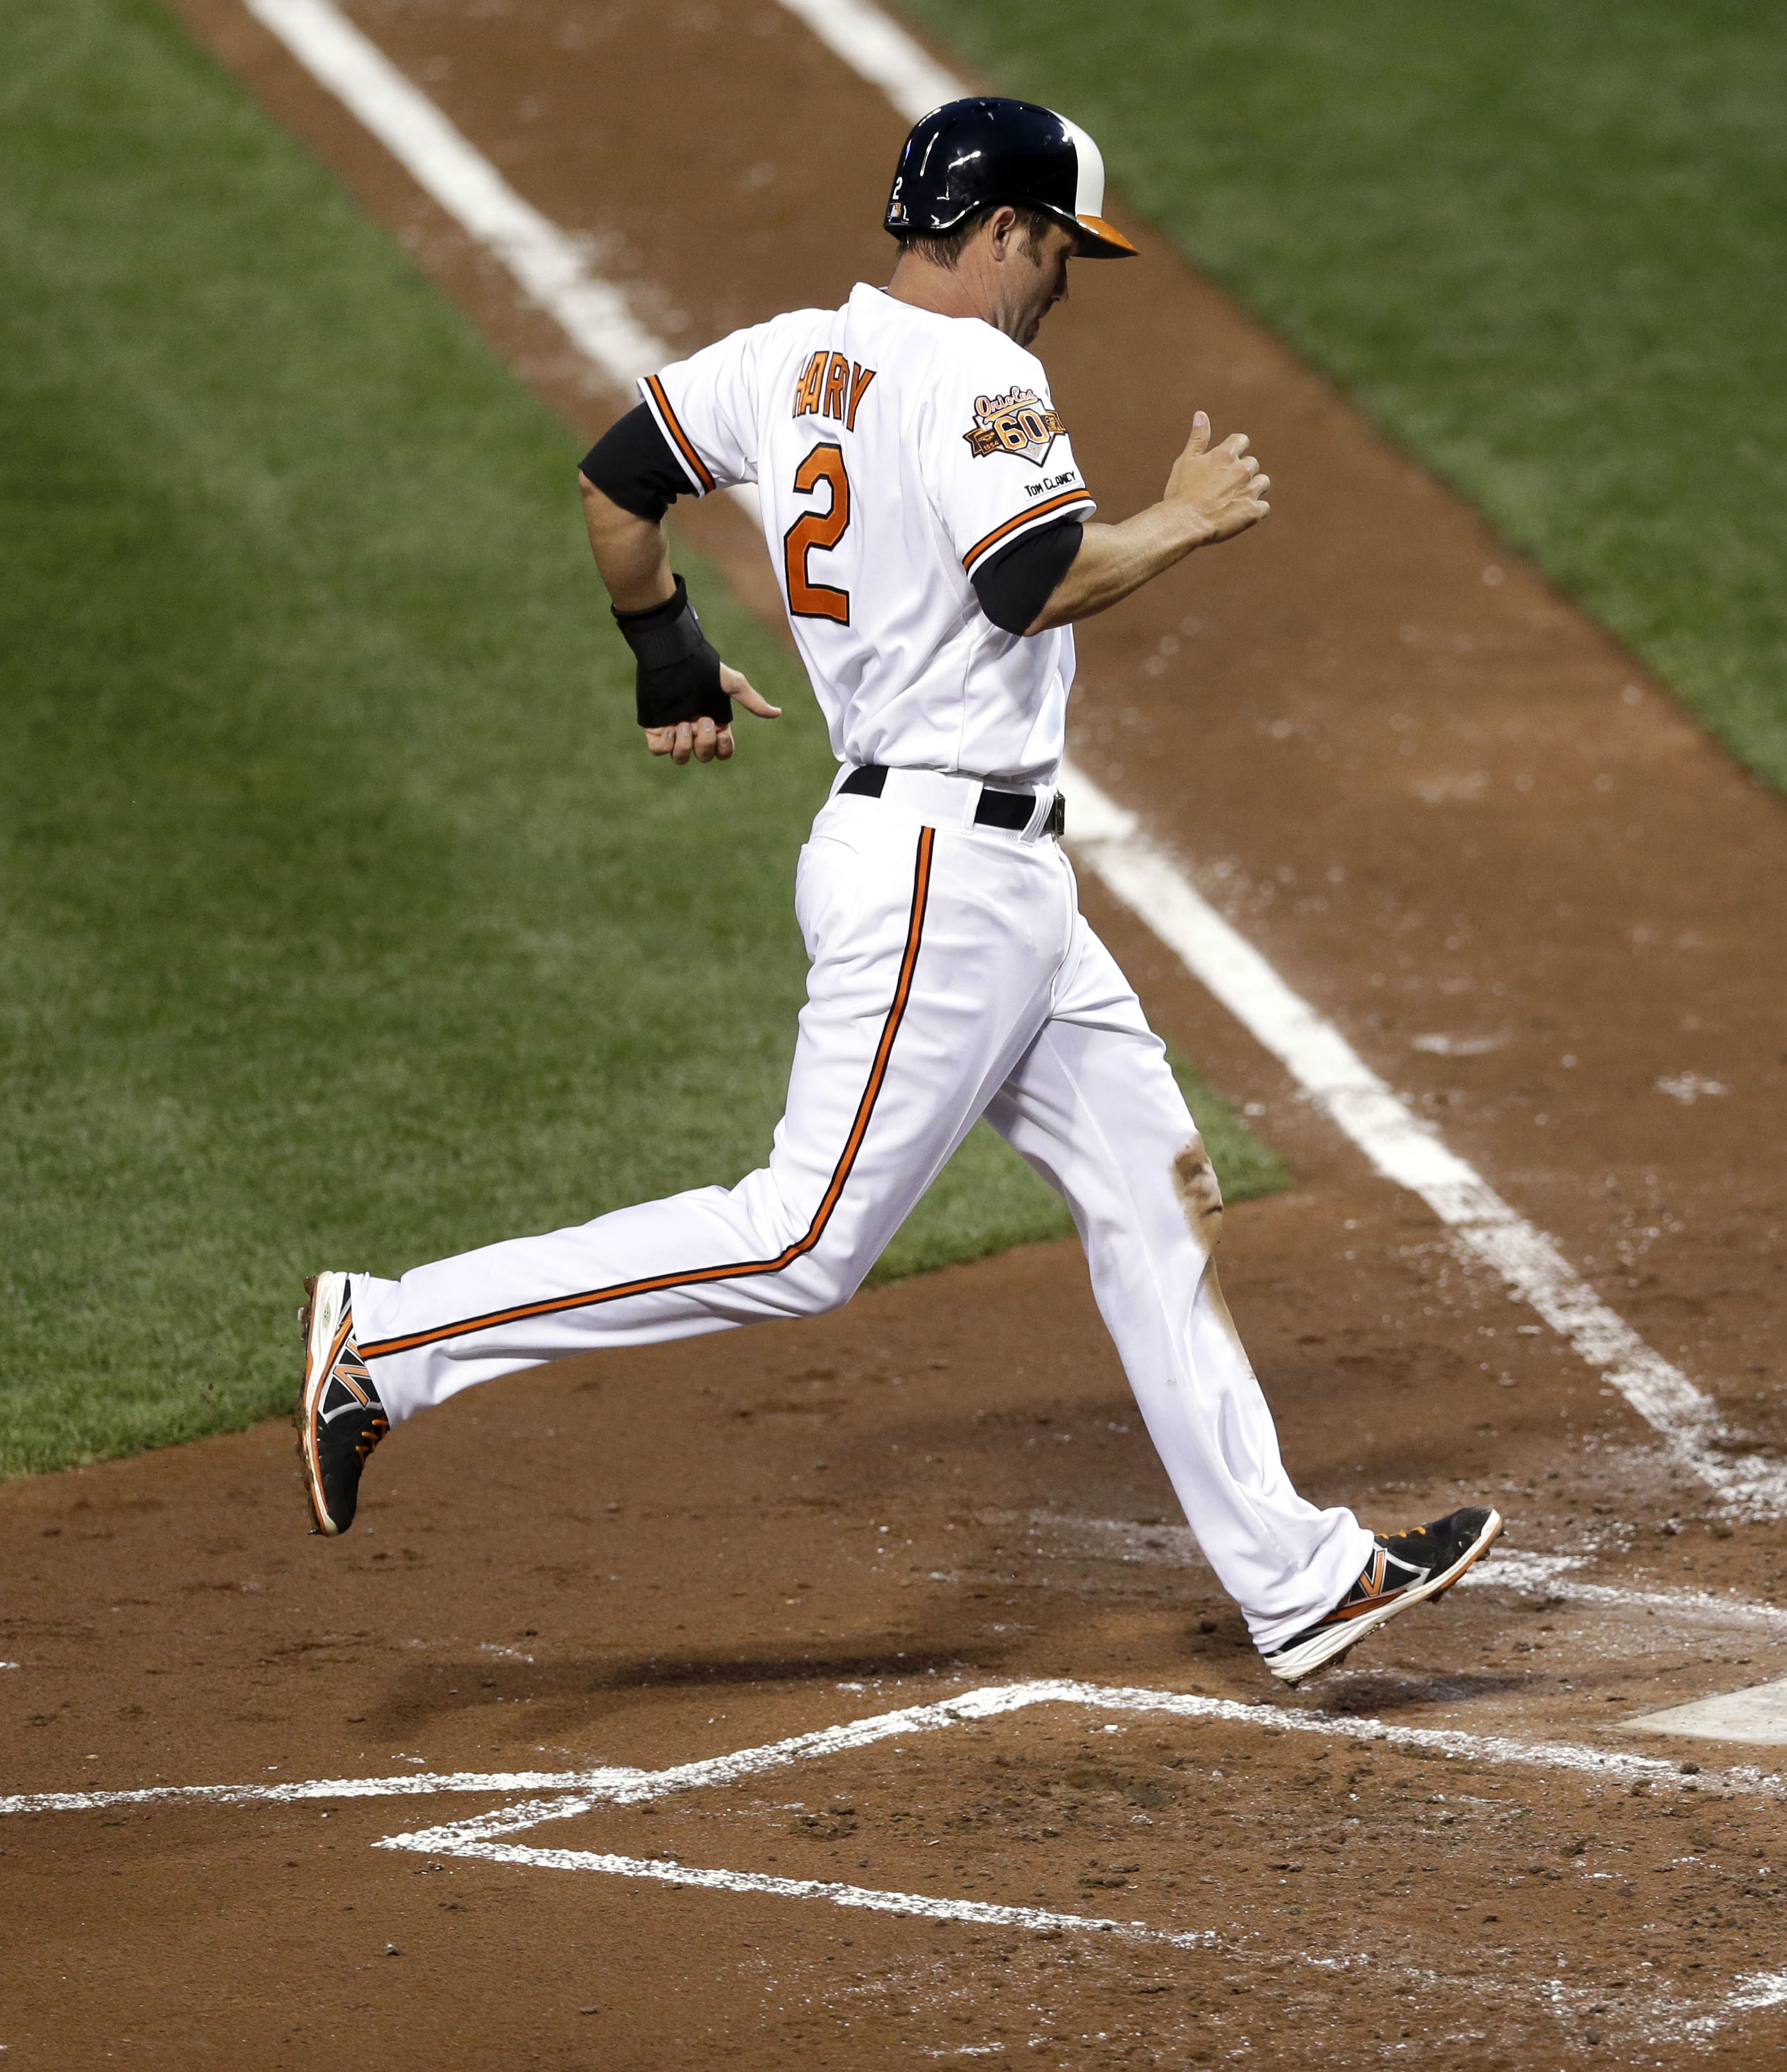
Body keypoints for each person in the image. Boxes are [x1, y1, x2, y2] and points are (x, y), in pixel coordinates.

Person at [293, 97, 1498, 1686]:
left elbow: (614, 482)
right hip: (943, 875)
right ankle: (392, 1337)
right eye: (1059, 244)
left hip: (975, 870)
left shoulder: (786, 360)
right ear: (1002, 228)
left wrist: (666, 656)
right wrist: (1181, 521)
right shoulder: (990, 377)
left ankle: (1300, 1578)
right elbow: (1032, 580)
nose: (1062, 274)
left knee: (1151, 1187)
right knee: (800, 1239)